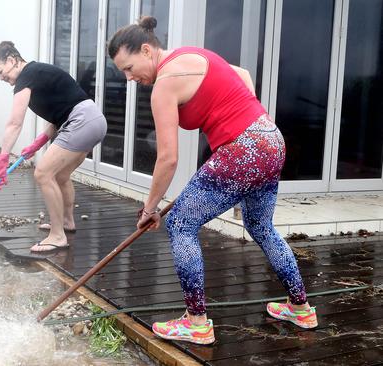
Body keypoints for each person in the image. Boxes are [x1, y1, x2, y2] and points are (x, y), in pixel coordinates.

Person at [108, 16, 317, 345]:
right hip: (270, 139)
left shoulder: (164, 83)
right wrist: (241, 121)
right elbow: (243, 76)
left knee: (179, 223)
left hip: (243, 149)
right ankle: (301, 307)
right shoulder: (194, 54)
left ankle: (196, 322)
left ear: (147, 50)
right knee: (261, 226)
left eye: (129, 67)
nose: (129, 77)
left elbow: (168, 158)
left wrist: (149, 208)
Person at [0, 41, 107, 252]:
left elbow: (15, 123)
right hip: (93, 120)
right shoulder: (36, 73)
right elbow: (59, 113)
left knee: (42, 174)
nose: (0, 77)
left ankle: (57, 236)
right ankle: (67, 222)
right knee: (60, 175)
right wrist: (38, 143)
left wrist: (2, 158)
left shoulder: (26, 77)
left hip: (82, 121)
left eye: (0, 71)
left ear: (11, 60)